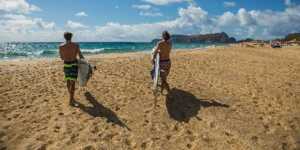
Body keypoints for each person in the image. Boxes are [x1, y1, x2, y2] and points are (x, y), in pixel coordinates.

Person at [59, 32, 84, 106]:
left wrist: (67, 56)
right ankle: (71, 100)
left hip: (66, 64)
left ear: (64, 37)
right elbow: (80, 55)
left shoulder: (61, 46)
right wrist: (85, 63)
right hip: (73, 64)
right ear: (71, 37)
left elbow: (61, 57)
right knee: (73, 83)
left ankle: (71, 97)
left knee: (68, 80)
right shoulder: (76, 45)